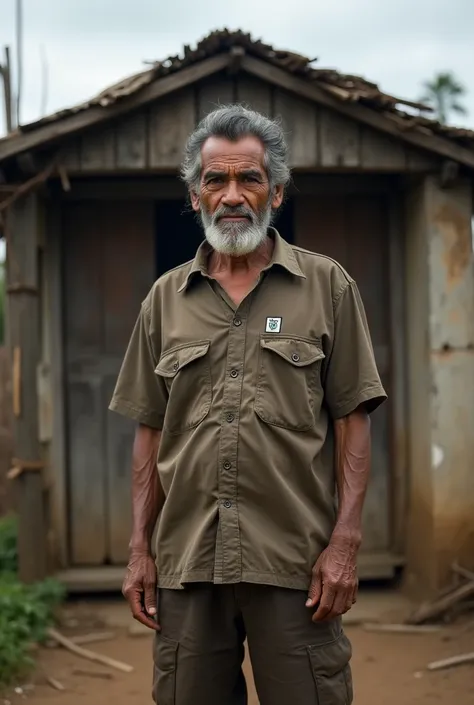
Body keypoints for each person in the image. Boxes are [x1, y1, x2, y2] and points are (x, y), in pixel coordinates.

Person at [109, 105, 387, 705]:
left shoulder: (328, 287)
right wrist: (139, 549)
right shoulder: (164, 300)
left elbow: (352, 422)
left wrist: (345, 544)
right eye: (216, 181)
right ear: (195, 195)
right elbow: (150, 431)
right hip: (186, 564)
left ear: (276, 192)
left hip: (294, 564)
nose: (232, 195)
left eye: (249, 179)